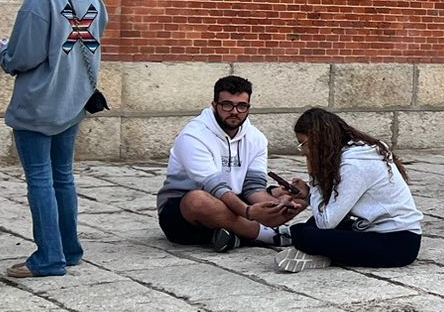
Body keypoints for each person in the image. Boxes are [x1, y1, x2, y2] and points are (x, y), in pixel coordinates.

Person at [0, 0, 106, 279]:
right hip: (73, 102)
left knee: (40, 179)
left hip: (38, 102)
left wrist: (4, 53)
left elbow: (22, 57)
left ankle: (48, 256)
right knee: (64, 177)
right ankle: (69, 248)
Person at [157, 76, 299, 251]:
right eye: (227, 105)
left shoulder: (256, 138)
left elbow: (253, 187)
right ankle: (266, 235)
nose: (234, 111)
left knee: (300, 194)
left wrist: (275, 205)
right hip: (184, 215)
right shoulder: (193, 136)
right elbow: (215, 187)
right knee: (198, 199)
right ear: (214, 105)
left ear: (248, 108)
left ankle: (234, 236)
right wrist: (248, 212)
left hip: (233, 205)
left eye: (241, 106)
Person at [277, 108, 422, 270]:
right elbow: (338, 206)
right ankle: (324, 254)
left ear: (319, 141)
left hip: (396, 243)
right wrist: (310, 193)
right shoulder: (355, 152)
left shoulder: (354, 165)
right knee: (311, 225)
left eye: (303, 144)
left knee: (301, 234)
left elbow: (326, 222)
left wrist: (315, 176)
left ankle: (324, 255)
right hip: (379, 232)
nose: (303, 151)